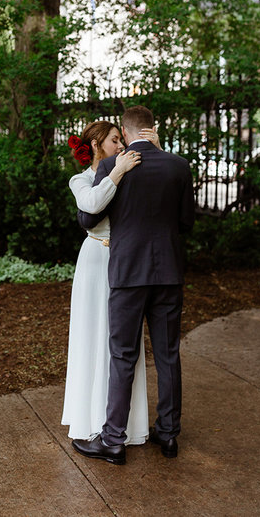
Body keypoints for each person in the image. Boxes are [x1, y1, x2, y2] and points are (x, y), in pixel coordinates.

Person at [71, 105, 195, 466]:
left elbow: (88, 217)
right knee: (168, 354)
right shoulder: (179, 166)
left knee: (123, 355)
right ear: (153, 130)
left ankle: (113, 441)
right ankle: (169, 435)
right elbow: (186, 222)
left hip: (127, 274)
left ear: (125, 134)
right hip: (168, 272)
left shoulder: (112, 166)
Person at [61, 120, 160, 446]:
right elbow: (90, 206)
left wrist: (156, 151)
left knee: (121, 343)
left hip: (126, 261)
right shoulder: (82, 179)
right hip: (94, 262)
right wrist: (115, 173)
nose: (121, 146)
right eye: (115, 140)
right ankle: (91, 419)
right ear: (96, 145)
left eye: (122, 139)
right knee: (93, 335)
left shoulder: (132, 173)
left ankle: (123, 426)